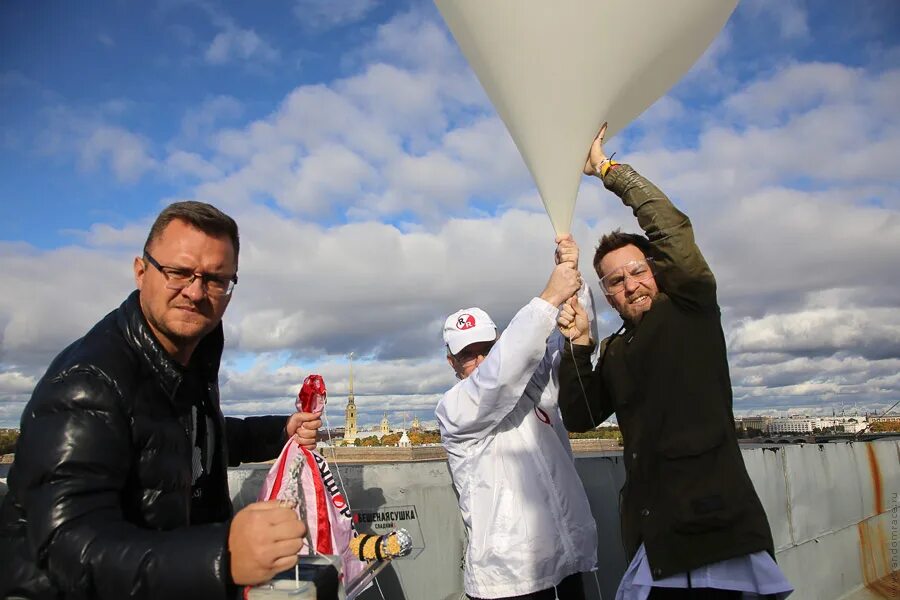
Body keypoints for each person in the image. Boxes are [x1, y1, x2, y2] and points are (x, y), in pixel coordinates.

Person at [0, 201, 322, 599]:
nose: (195, 292)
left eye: (215, 279)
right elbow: (69, 550)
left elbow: (188, 439)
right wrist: (222, 556)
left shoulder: (188, 359)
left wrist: (281, 430)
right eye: (179, 272)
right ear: (141, 271)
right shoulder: (87, 385)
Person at [555, 125, 792, 599]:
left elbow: (672, 229)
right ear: (607, 294)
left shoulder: (689, 307)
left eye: (638, 270)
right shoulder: (615, 349)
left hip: (717, 533)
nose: (630, 285)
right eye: (615, 281)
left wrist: (607, 169)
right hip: (657, 539)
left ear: (657, 271)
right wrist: (579, 345)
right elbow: (580, 415)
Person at [435, 236, 599, 600]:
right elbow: (498, 379)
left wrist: (572, 278)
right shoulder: (454, 409)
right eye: (468, 355)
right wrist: (549, 297)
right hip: (506, 581)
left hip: (566, 565)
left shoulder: (536, 385)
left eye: (487, 349)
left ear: (498, 343)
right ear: (452, 363)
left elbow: (572, 347)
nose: (480, 361)